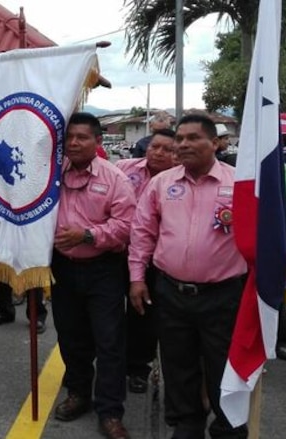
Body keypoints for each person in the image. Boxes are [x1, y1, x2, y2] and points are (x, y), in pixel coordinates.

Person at [129, 114, 248, 438]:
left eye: (193, 138)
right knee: (177, 364)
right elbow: (142, 233)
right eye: (179, 138)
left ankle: (228, 427)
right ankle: (187, 424)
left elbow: (258, 239)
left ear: (215, 143)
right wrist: (137, 278)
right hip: (171, 292)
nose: (183, 144)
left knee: (223, 368)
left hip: (223, 296)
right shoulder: (161, 184)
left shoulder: (239, 183)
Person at [51, 112, 135, 439]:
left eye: (82, 137)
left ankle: (110, 411)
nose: (73, 142)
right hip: (62, 268)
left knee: (110, 341)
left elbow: (126, 227)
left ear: (98, 142)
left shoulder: (115, 179)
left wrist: (87, 235)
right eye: (70, 136)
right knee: (71, 338)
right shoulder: (52, 175)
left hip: (104, 269)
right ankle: (78, 394)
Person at [115, 127, 177, 394]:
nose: (159, 152)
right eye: (155, 146)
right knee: (107, 313)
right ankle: (105, 364)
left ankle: (138, 368)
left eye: (167, 149)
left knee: (143, 315)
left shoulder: (178, 180)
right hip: (116, 252)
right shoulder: (122, 169)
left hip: (153, 260)